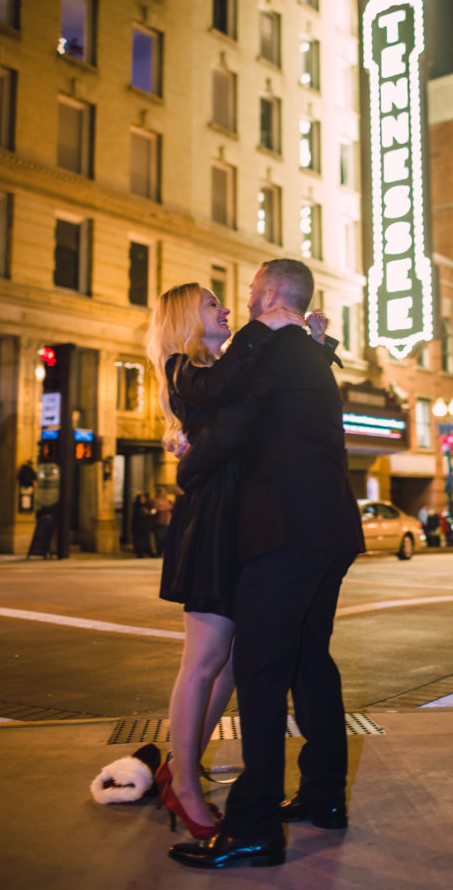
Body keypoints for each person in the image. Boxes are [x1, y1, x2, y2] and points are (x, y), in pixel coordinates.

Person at [168, 259, 365, 871]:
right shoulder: (309, 353)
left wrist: (186, 463)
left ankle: (253, 828)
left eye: (252, 292)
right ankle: (323, 796)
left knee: (260, 668)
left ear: (274, 296)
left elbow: (221, 406)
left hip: (285, 530)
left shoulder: (275, 345)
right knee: (310, 660)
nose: (245, 302)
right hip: (330, 527)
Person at [146, 281, 311, 840]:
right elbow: (220, 388)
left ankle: (178, 763)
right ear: (186, 316)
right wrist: (265, 328)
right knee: (204, 658)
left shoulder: (217, 370)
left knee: (236, 659)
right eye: (212, 303)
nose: (225, 310)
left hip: (241, 519)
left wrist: (310, 341)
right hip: (211, 520)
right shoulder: (179, 365)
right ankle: (184, 782)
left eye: (224, 302)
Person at [131, 492, 155, 557]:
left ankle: (148, 551)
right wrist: (149, 514)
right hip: (139, 527)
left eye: (143, 498)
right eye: (141, 498)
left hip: (146, 527)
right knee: (140, 540)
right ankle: (140, 553)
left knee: (147, 540)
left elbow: (152, 512)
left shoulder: (147, 505)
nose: (143, 500)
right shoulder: (137, 506)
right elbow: (142, 515)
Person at [152, 485, 173, 557]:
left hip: (167, 522)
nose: (165, 493)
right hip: (159, 522)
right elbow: (157, 509)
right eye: (163, 492)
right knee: (159, 538)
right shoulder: (155, 500)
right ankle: (159, 551)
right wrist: (165, 509)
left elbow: (170, 508)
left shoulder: (167, 500)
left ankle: (164, 552)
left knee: (165, 538)